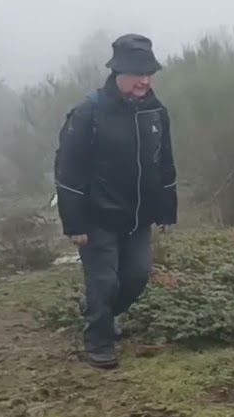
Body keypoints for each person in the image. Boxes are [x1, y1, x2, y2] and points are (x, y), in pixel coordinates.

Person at [54, 34, 178, 370]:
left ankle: (105, 316)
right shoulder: (88, 112)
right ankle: (99, 340)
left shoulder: (155, 111)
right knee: (104, 281)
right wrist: (74, 223)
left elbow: (164, 162)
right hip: (97, 217)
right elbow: (68, 170)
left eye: (148, 73)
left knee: (137, 277)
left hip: (138, 217)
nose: (144, 80)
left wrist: (166, 209)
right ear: (117, 72)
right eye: (137, 73)